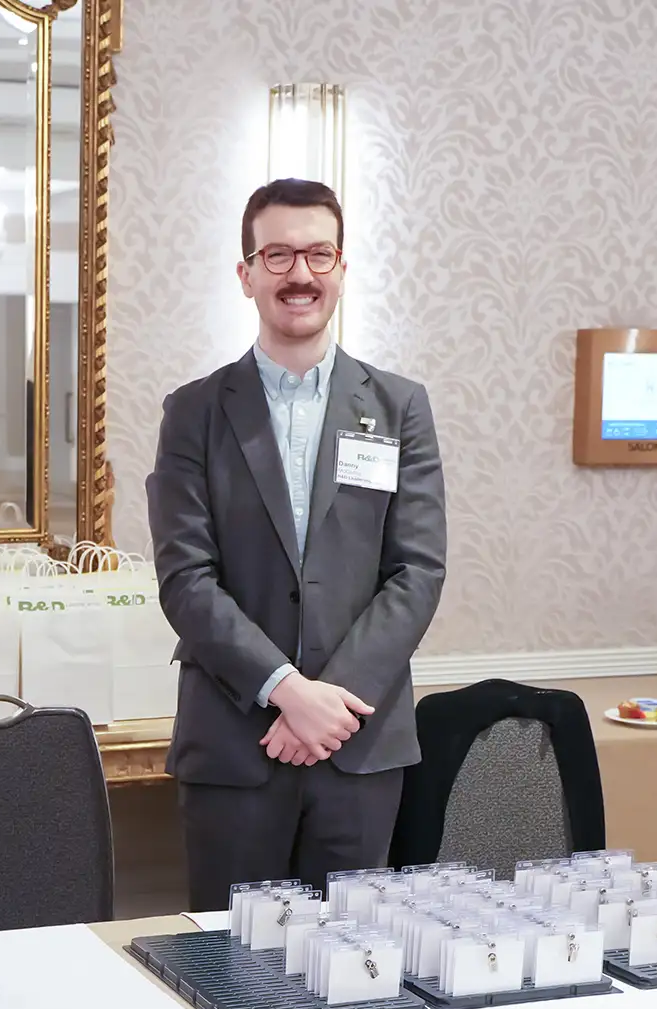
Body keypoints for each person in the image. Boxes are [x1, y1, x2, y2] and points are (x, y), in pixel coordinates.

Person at [146, 178, 448, 911]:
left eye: (318, 255)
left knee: (352, 960)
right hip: (234, 749)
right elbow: (186, 578)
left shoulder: (399, 408)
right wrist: (287, 691)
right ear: (246, 274)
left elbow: (417, 571)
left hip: (358, 747)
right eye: (277, 256)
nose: (300, 274)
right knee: (229, 962)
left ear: (342, 269)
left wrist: (328, 706)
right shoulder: (193, 413)